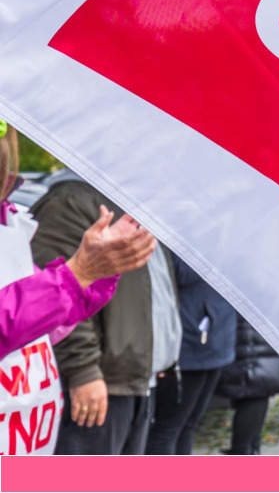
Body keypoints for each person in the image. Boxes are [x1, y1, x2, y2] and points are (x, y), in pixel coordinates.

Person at [0, 122, 156, 455]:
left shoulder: (9, 220)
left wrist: (96, 271)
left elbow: (44, 322)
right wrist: (79, 272)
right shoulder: (66, 201)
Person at [30, 168, 182, 455]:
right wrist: (82, 369)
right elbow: (54, 294)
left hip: (132, 380)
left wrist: (156, 357)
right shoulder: (72, 200)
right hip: (100, 383)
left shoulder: (131, 201)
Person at [145, 257, 237, 454]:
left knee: (169, 429)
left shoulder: (204, 243)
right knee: (179, 427)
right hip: (205, 334)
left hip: (195, 339)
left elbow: (177, 272)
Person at [215, 314, 279, 454]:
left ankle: (243, 452)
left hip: (250, 347)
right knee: (256, 395)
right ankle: (249, 450)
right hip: (259, 345)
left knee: (253, 395)